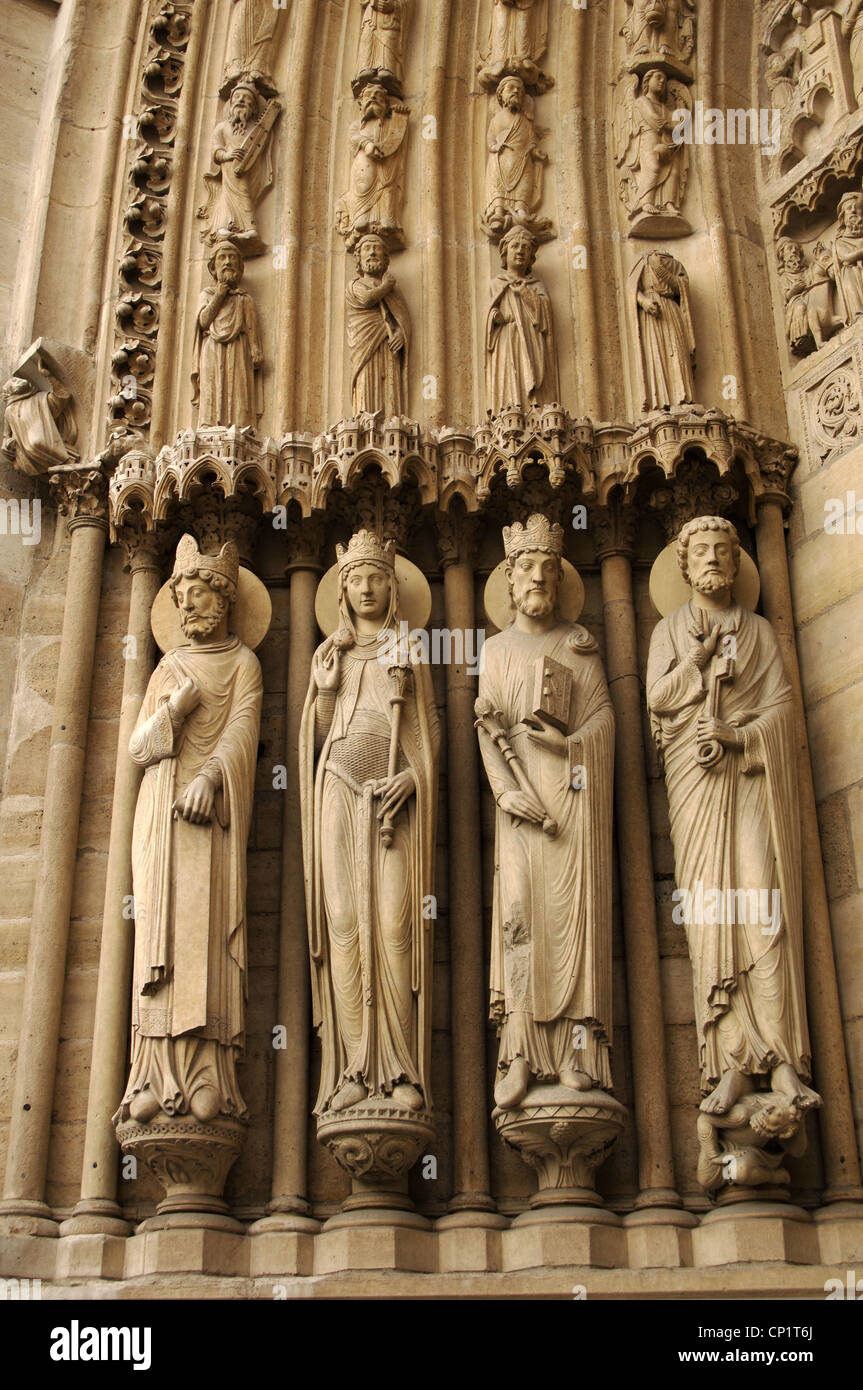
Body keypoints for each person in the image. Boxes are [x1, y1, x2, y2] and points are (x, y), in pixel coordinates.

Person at [646, 516, 821, 1125]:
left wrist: (738, 735)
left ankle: (780, 1060)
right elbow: (656, 703)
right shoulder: (669, 631)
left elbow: (783, 713)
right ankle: (725, 1066)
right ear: (685, 565)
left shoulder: (760, 633)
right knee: (712, 917)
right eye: (703, 552)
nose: (714, 560)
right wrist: (696, 668)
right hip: (696, 788)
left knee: (762, 909)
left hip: (748, 781)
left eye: (724, 550)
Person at [115, 535, 263, 1124]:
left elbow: (244, 732)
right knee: (160, 943)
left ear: (225, 600)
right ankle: (151, 1075)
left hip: (214, 819)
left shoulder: (244, 663)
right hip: (161, 821)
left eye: (199, 595)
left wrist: (212, 778)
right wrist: (174, 708)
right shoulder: (169, 667)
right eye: (181, 597)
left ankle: (209, 1074)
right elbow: (138, 748)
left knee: (204, 939)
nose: (188, 608)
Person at [476, 515, 615, 1110]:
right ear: (509, 581)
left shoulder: (579, 646)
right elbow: (489, 729)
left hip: (573, 800)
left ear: (560, 581)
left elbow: (605, 721)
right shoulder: (496, 650)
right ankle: (521, 1054)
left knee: (569, 921)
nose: (537, 578)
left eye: (547, 569)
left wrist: (572, 746)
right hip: (520, 807)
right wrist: (505, 791)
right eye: (526, 568)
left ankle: (577, 1052)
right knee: (519, 920)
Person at [300, 530, 439, 1115]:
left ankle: (402, 1068)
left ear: (392, 586)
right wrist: (325, 692)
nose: (363, 588)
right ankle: (353, 1064)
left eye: (374, 577)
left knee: (395, 924)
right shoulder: (330, 654)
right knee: (343, 922)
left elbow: (427, 735)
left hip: (392, 799)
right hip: (338, 787)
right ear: (340, 589)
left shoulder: (407, 654)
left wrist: (413, 779)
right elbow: (317, 734)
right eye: (353, 579)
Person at [486, 225, 559, 414]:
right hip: (506, 341)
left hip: (531, 340)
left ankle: (535, 406)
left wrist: (525, 293)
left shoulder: (536, 286)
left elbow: (545, 318)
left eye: (525, 248)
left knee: (533, 377)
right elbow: (489, 322)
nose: (520, 251)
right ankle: (509, 409)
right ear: (505, 252)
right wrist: (496, 318)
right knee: (509, 378)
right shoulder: (496, 284)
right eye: (515, 246)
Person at [192, 236, 263, 429]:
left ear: (240, 267)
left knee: (238, 387)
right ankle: (208, 423)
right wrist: (219, 296)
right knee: (212, 386)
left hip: (239, 348)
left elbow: (251, 327)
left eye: (232, 258)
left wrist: (256, 349)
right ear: (213, 268)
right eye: (222, 258)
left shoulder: (243, 298)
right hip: (212, 347)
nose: (228, 262)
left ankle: (239, 426)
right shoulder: (206, 294)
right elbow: (204, 321)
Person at [198, 82, 274, 255]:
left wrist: (249, 158)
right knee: (228, 196)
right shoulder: (222, 127)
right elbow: (216, 149)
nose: (241, 101)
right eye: (237, 98)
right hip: (229, 167)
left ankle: (249, 228)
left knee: (244, 194)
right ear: (231, 104)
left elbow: (259, 146)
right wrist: (227, 156)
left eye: (247, 99)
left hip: (247, 170)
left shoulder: (256, 129)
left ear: (254, 109)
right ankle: (224, 226)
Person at [345, 234, 410, 417]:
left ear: (385, 257)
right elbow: (366, 300)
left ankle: (391, 420)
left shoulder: (393, 293)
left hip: (388, 347)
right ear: (358, 258)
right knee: (366, 380)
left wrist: (400, 334)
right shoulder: (355, 285)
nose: (372, 252)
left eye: (377, 248)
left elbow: (401, 318)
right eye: (367, 248)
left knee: (389, 382)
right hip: (364, 346)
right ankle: (365, 422)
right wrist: (386, 286)